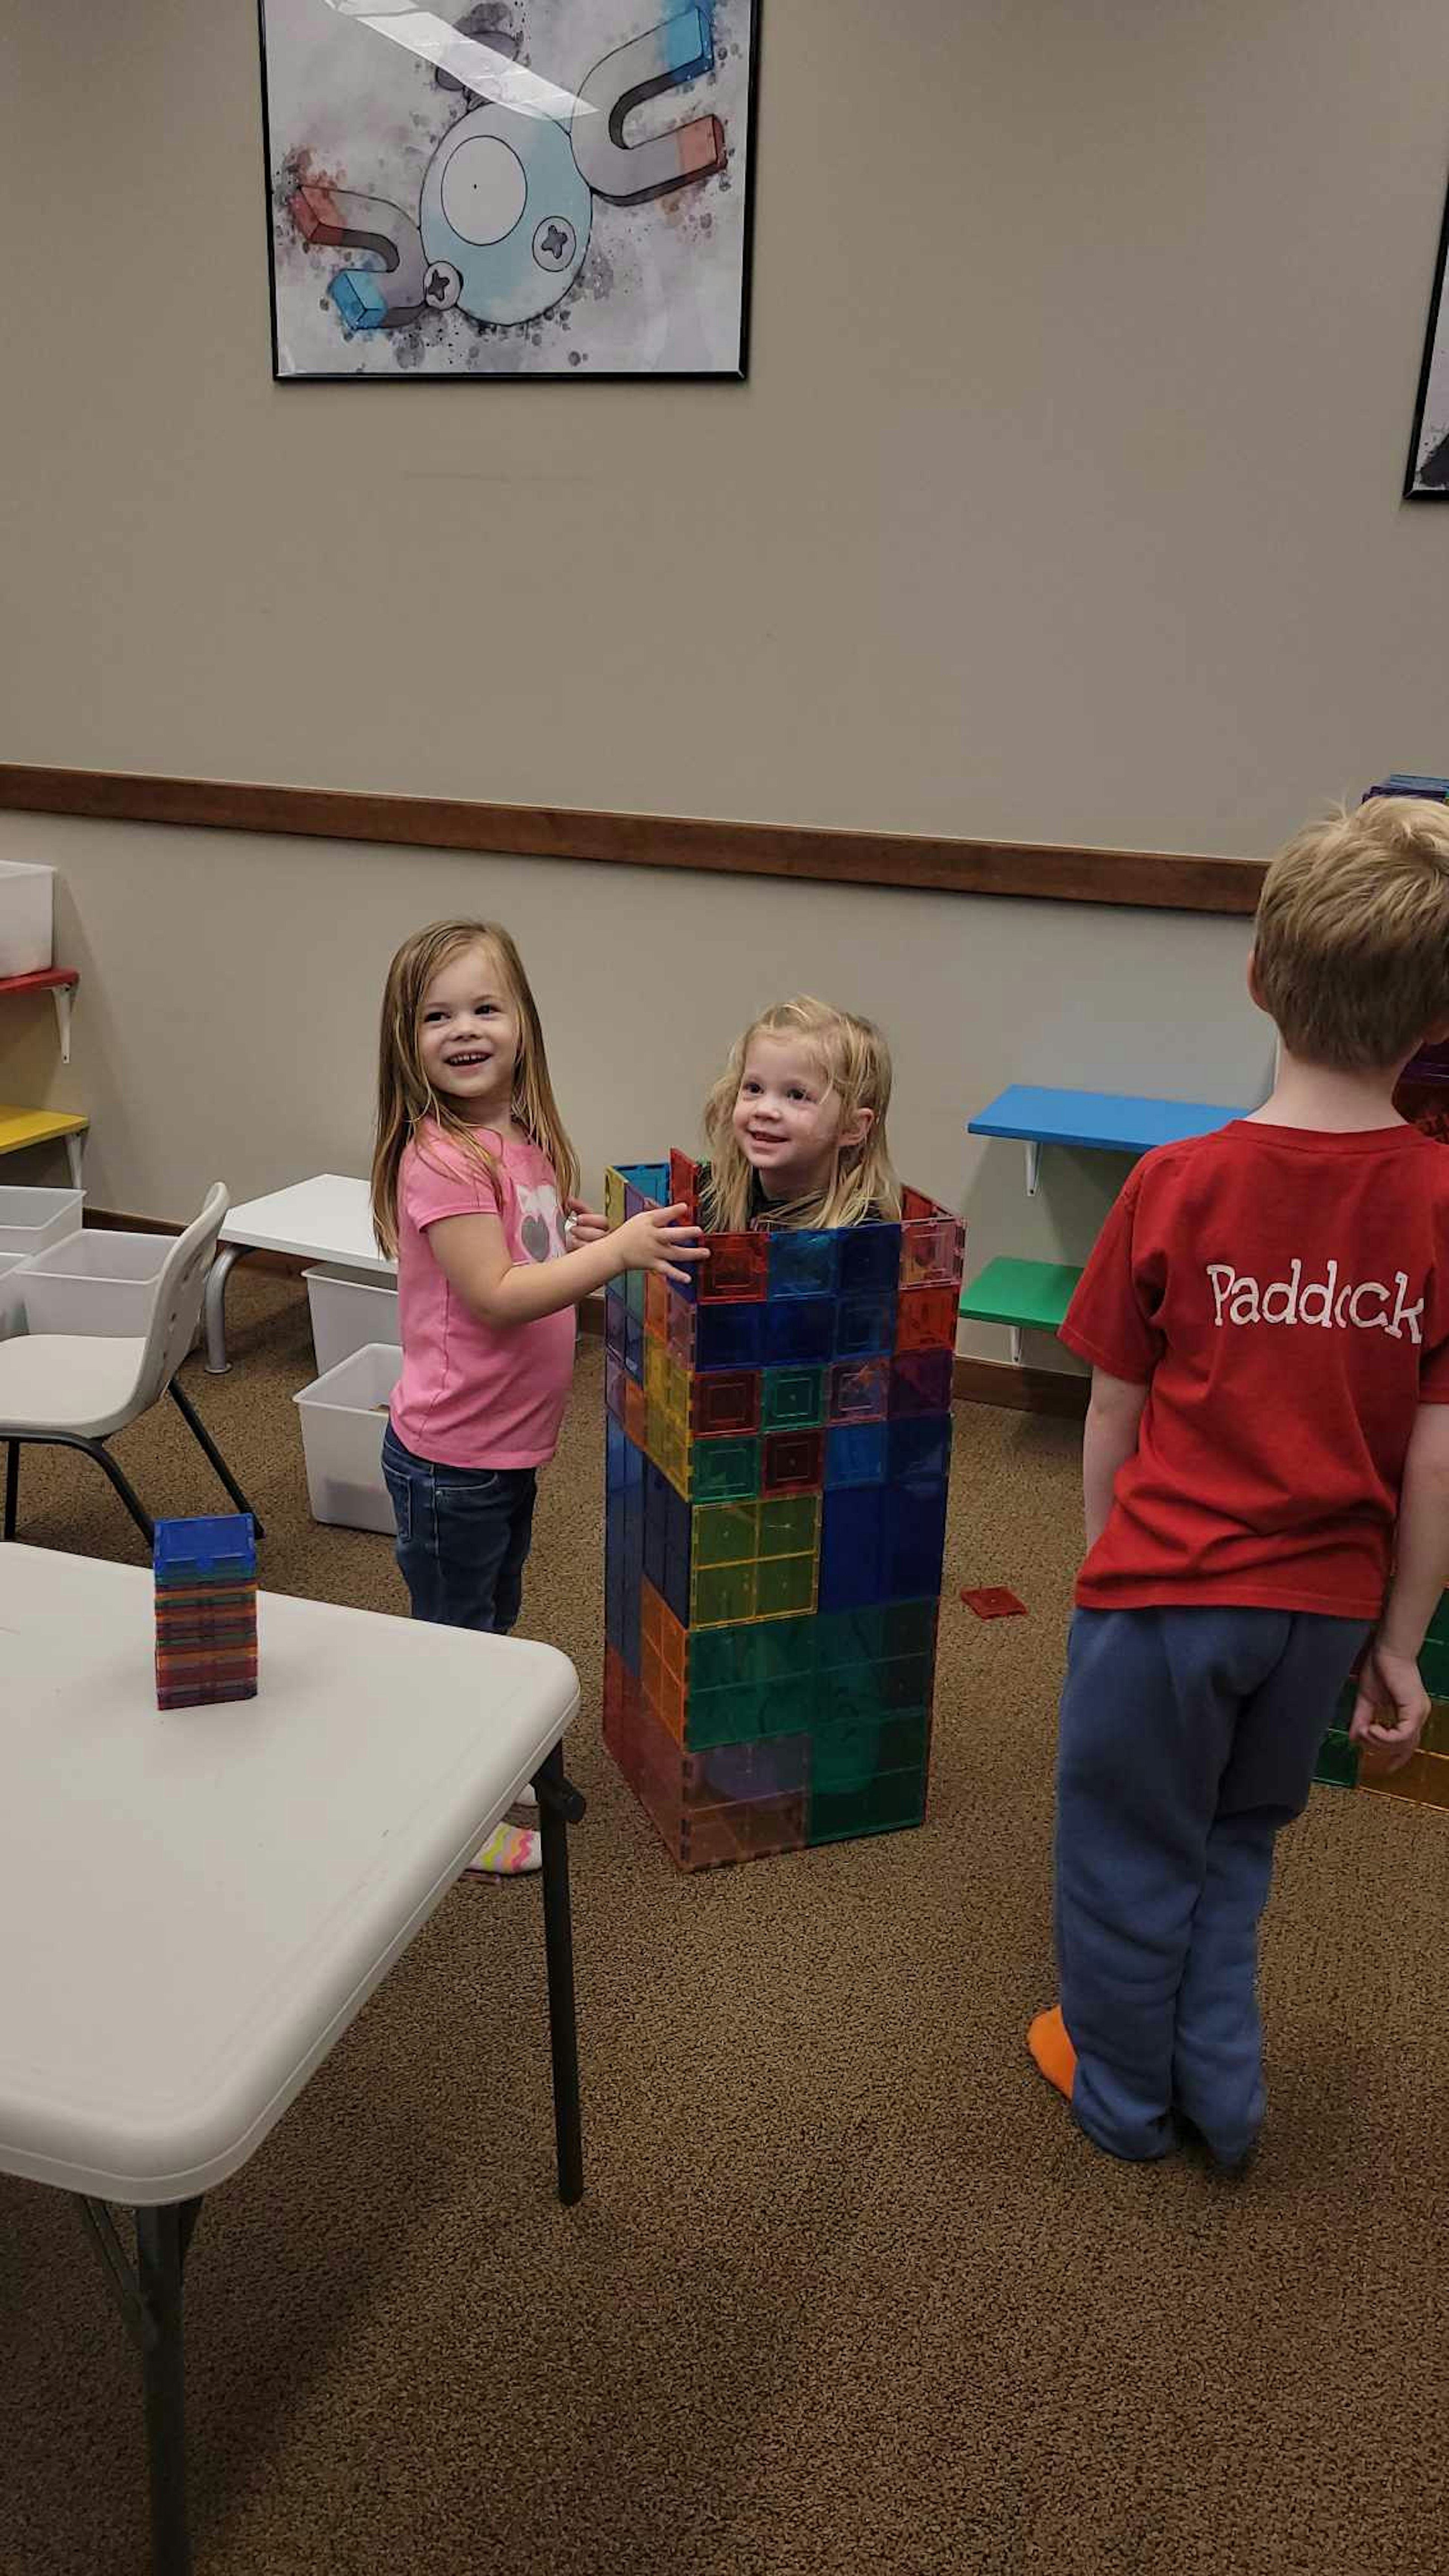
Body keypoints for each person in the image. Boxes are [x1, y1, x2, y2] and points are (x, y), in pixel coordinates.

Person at [1028, 794, 1449, 2168]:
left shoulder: (1176, 1181)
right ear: (1436, 1025)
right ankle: (1226, 2094)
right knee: (1234, 1842)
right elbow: (1439, 1453)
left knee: (1123, 1851)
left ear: (1258, 977)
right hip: (1322, 1610)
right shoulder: (1441, 1197)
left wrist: (1106, 1560)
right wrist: (1398, 1636)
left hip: (1167, 1597)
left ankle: (1125, 2103)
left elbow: (1112, 1402)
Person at [371, 918, 704, 1873]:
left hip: (503, 1449)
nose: (464, 1029)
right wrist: (613, 1255)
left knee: (490, 1615)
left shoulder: (520, 1135)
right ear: (407, 1038)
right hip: (451, 1457)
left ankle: (478, 1759)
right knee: (457, 1639)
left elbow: (526, 1255)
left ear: (523, 1021)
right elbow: (495, 1294)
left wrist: (576, 1235)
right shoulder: (439, 1157)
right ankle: (455, 1817)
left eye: (484, 1006)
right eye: (437, 1015)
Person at [699, 995, 901, 1232]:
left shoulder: (863, 1232)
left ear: (851, 1127)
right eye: (754, 1089)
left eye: (796, 1095)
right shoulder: (710, 1191)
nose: (765, 1110)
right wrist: (643, 1247)